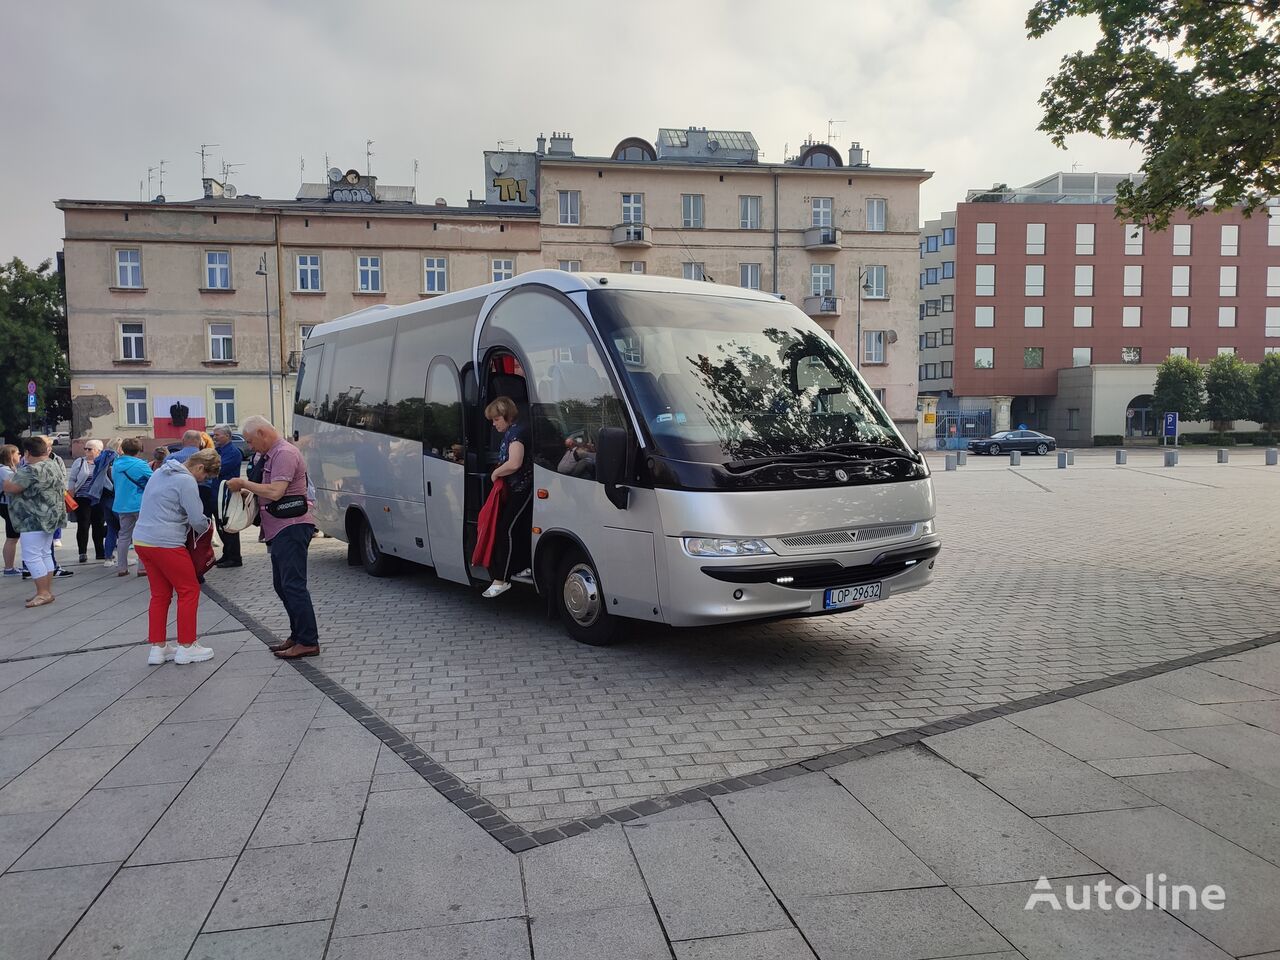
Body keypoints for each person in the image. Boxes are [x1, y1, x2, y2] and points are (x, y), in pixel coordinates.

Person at [228, 416, 319, 658]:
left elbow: (276, 491)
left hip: (291, 525)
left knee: (293, 585)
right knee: (283, 585)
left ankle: (308, 641)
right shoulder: (270, 454)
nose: (249, 446)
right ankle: (298, 634)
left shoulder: (284, 454)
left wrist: (244, 484)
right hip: (278, 528)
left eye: (250, 441)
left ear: (262, 432)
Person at [132, 448, 219, 664]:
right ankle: (187, 646)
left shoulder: (160, 472)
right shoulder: (186, 481)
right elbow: (196, 519)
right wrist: (208, 526)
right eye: (205, 476)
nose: (203, 481)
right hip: (167, 542)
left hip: (142, 539)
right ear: (199, 467)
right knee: (188, 590)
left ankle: (158, 648)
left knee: (160, 595)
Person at [3, 437, 68, 607]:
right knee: (45, 553)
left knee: (31, 556)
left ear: (27, 453)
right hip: (51, 515)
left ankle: (43, 592)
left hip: (32, 518)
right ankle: (46, 590)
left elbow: (11, 488)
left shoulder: (30, 470)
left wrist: (9, 479)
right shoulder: (53, 464)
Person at [482, 396, 532, 598]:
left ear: (506, 416)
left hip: (522, 489)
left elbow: (515, 463)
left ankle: (502, 578)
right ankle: (522, 567)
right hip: (518, 488)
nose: (494, 425)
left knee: (506, 530)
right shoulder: (514, 431)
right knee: (516, 529)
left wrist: (495, 473)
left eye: (495, 420)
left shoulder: (516, 434)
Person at [112, 438, 152, 578]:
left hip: (121, 504)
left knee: (123, 536)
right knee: (142, 536)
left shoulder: (116, 464)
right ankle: (142, 567)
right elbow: (153, 480)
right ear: (138, 450)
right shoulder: (141, 464)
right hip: (140, 504)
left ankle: (122, 568)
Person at [68, 439, 106, 562]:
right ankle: (82, 553)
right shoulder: (79, 462)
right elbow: (72, 478)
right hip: (82, 497)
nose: (86, 451)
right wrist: (71, 492)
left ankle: (100, 552)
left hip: (98, 498)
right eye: (85, 448)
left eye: (90, 449)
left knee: (98, 525)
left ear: (98, 451)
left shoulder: (103, 463)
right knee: (83, 524)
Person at [211, 426, 244, 567]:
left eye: (217, 435)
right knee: (220, 526)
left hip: (227, 495)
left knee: (229, 526)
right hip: (217, 493)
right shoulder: (218, 451)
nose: (214, 437)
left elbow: (217, 469)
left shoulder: (233, 452)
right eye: (214, 435)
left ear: (227, 436)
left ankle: (235, 557)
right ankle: (227, 554)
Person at [89, 437, 120, 566]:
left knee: (112, 527)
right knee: (124, 528)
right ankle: (123, 557)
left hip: (103, 496)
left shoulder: (102, 458)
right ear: (119, 448)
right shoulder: (115, 459)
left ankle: (108, 557)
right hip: (115, 496)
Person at [0, 445, 20, 576]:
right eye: (17, 453)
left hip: (6, 504)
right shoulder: (5, 470)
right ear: (10, 455)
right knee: (12, 537)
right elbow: (15, 485)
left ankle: (9, 567)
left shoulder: (6, 469)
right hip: (8, 505)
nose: (20, 455)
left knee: (13, 536)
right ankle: (8, 568)